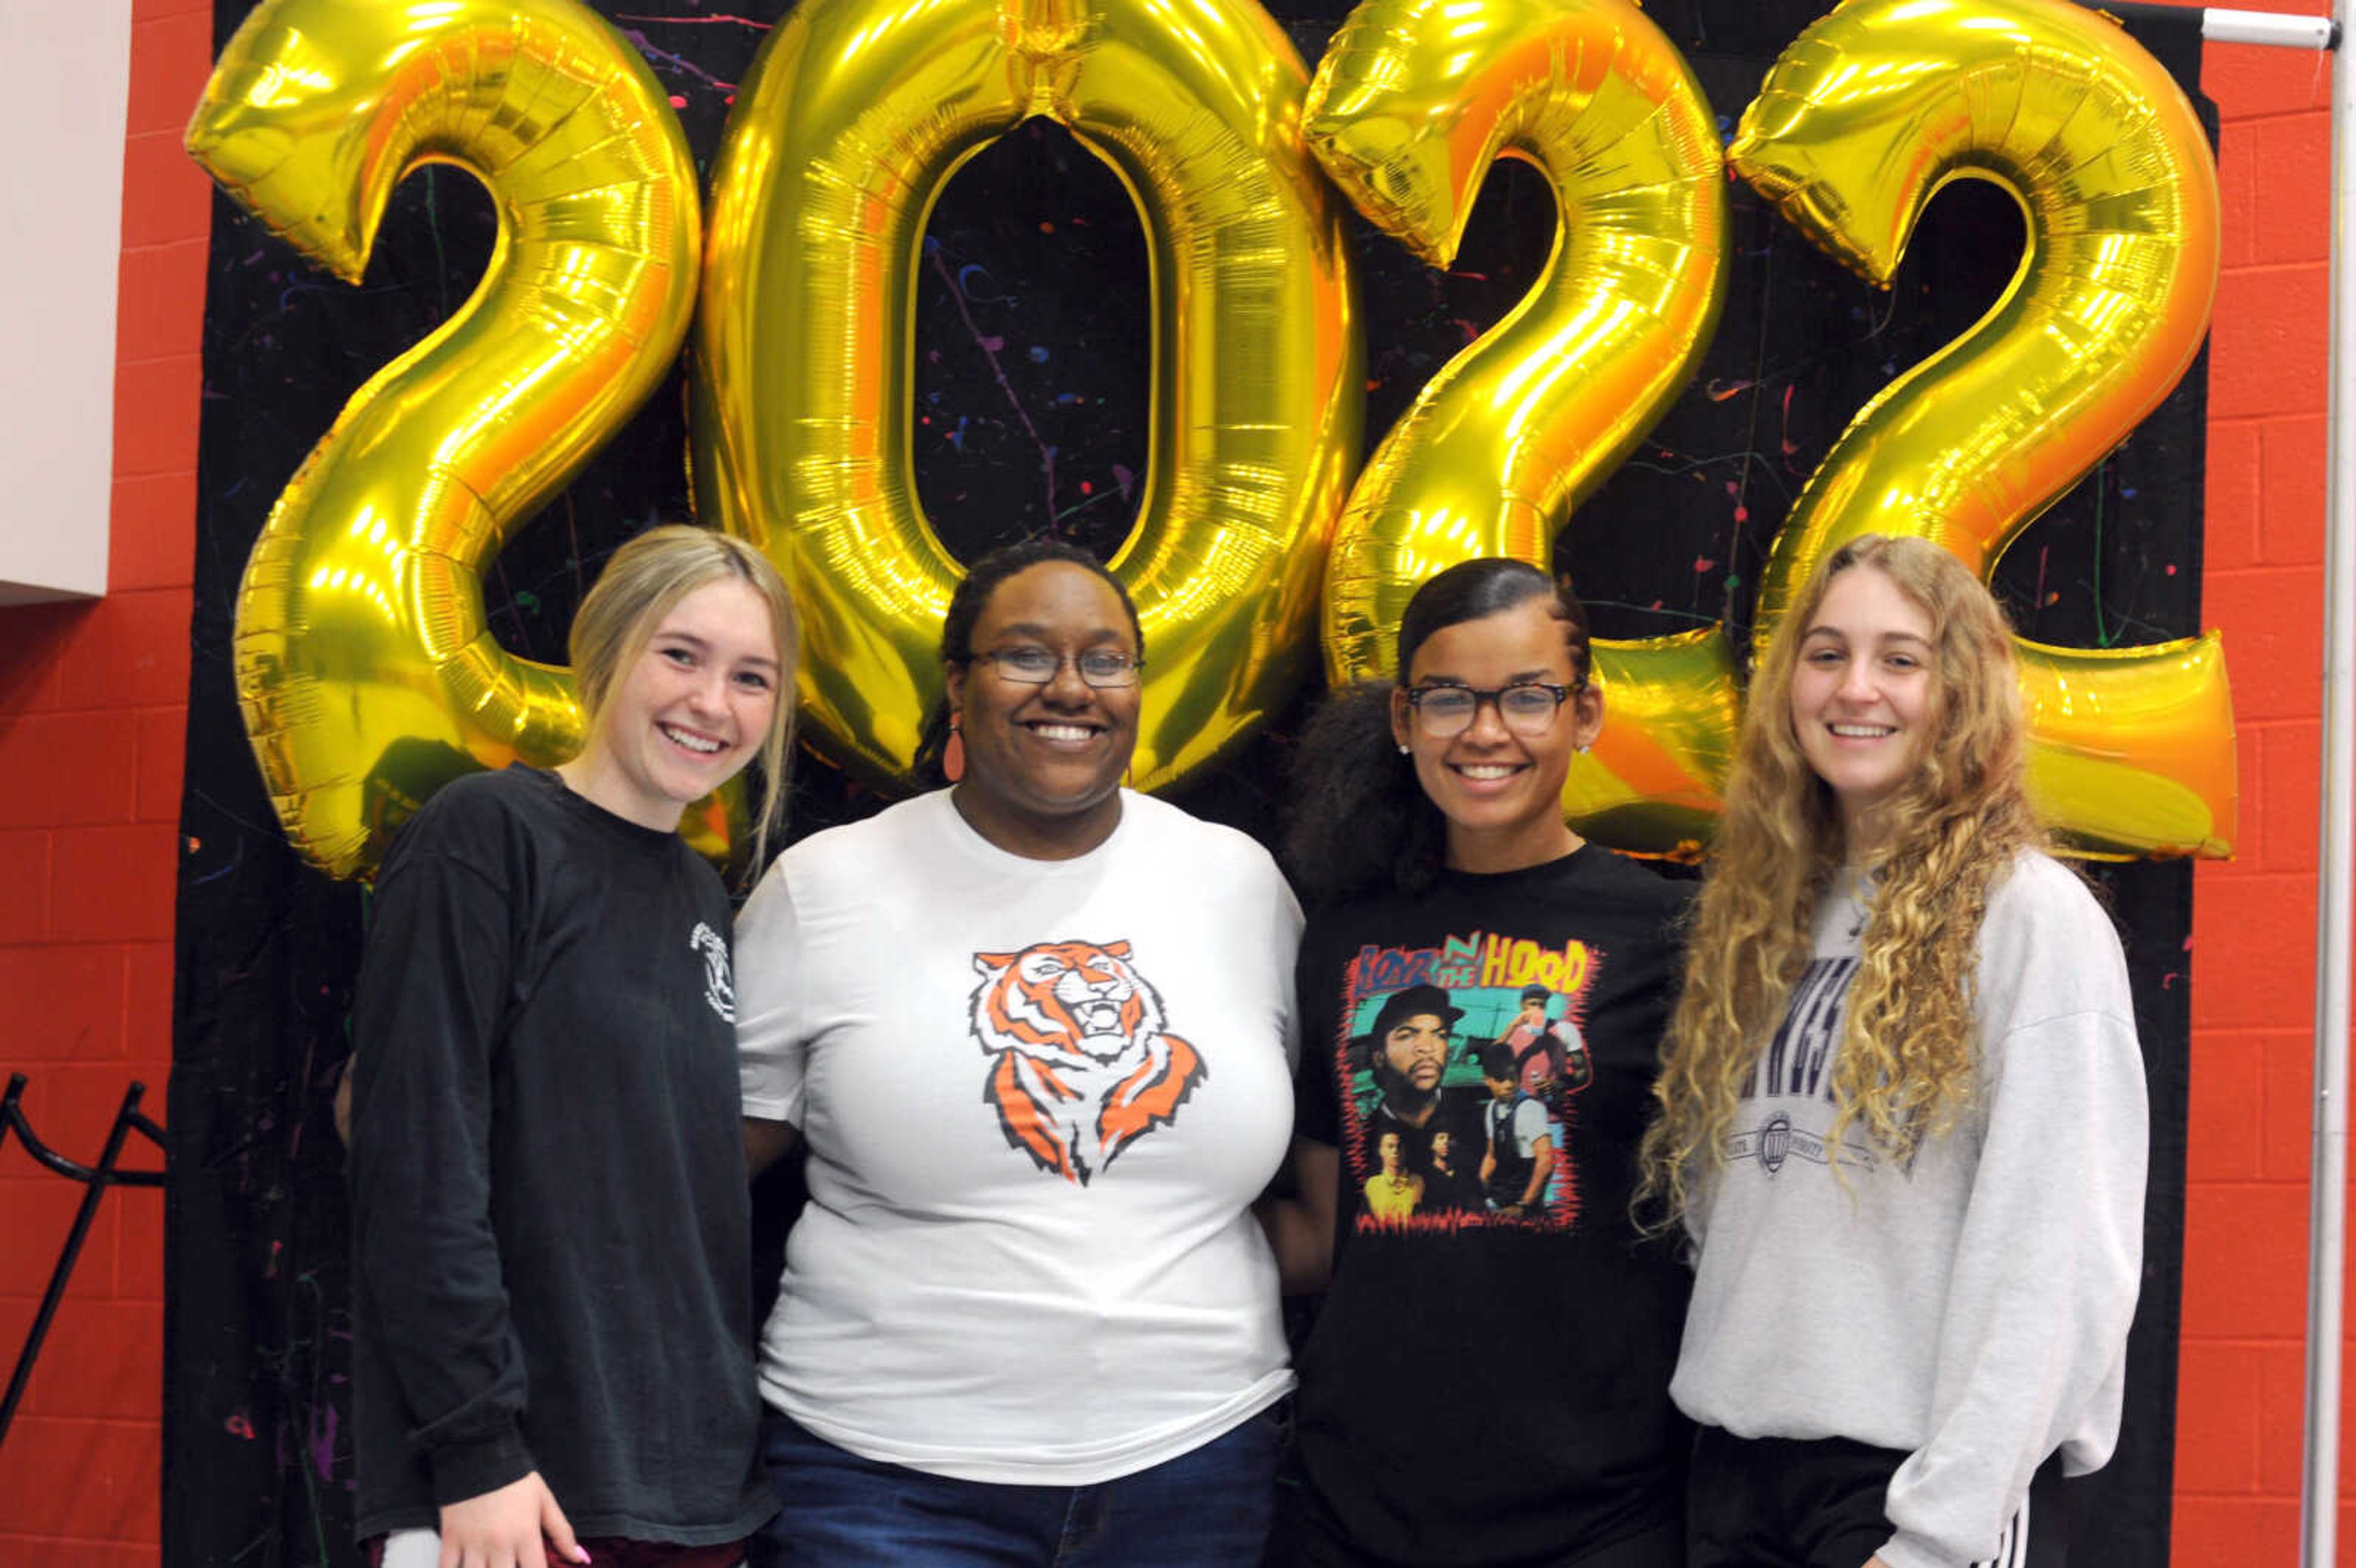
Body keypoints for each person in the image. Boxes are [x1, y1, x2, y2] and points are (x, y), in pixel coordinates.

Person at [733, 537, 1302, 1567]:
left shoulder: (1237, 883)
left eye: (1108, 658)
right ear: (958, 684)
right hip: (881, 1479)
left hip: (1197, 1465)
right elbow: (700, 1166)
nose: (1071, 688)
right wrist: (485, 1107)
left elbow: (1325, 1151)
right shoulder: (825, 889)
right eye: (1026, 655)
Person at [1639, 535, 2148, 1568]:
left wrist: (1940, 1533)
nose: (1856, 688)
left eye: (1900, 659)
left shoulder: (2028, 918)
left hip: (1914, 1494)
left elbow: (2056, 1267)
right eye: (1826, 654)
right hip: (1737, 1477)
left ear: (1960, 689)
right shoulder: (1760, 914)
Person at [346, 525, 798, 1568]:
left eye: (751, 677)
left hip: (689, 1495)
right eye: (679, 654)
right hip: (516, 1496)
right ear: (605, 651)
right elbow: (415, 1164)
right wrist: (477, 1452)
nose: (711, 704)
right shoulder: (487, 834)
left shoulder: (699, 893)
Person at [1266, 557, 1695, 1568]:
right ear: (1408, 719)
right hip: (1351, 1513)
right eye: (1451, 697)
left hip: (1600, 1518)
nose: (1487, 730)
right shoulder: (1339, 935)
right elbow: (1331, 1235)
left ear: (1585, 715)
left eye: (1528, 697)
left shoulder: (1675, 935)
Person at [1476, 1040, 1555, 1218]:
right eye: (1500, 1079)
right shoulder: (1491, 1109)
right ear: (1487, 1080)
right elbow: (1492, 1154)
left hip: (1523, 1206)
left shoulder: (1530, 1109)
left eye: (1513, 1077)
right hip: (1498, 1200)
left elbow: (1547, 1162)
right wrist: (1482, 1183)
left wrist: (1523, 1206)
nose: (1509, 1084)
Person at [1361, 1129, 1424, 1223]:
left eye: (1399, 1146)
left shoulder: (1419, 1182)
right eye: (1390, 1147)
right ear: (1381, 1151)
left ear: (1404, 1150)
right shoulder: (1371, 1185)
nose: (1395, 1151)